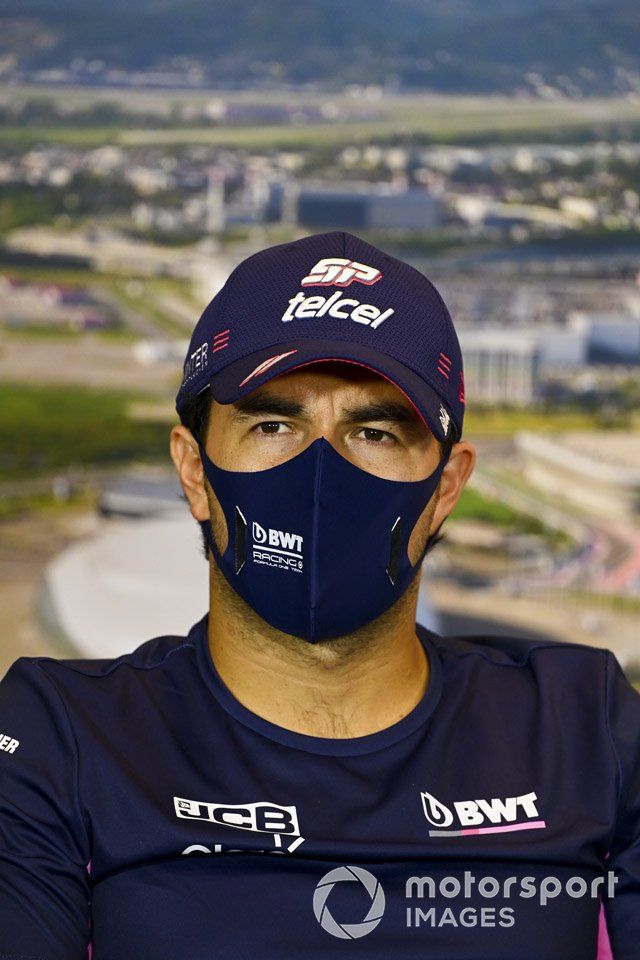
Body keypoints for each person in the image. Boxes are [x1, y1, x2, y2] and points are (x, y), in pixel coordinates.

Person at [0, 230, 638, 959]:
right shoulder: (59, 741)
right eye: (274, 424)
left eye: (374, 432)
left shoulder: (583, 727)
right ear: (193, 469)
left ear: (448, 487)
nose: (319, 476)